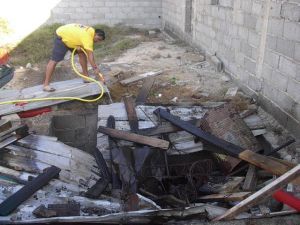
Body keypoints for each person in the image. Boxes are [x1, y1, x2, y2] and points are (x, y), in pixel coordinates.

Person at [43, 23, 105, 92]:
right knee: (54, 60)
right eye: (98, 39)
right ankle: (46, 85)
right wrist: (95, 68)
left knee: (81, 52)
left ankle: (86, 77)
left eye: (100, 41)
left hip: (71, 37)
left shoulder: (91, 31)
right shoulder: (87, 37)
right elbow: (90, 55)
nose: (97, 41)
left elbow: (78, 34)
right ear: (95, 34)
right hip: (62, 37)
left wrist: (78, 43)